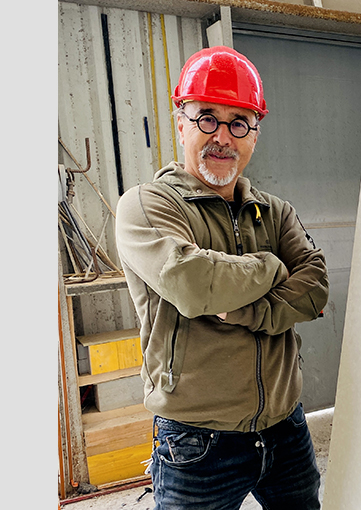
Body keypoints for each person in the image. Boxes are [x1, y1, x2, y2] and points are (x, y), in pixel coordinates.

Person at [115, 46, 329, 509]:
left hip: (286, 430)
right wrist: (272, 266)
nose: (222, 137)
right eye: (206, 118)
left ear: (255, 134)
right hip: (196, 445)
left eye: (239, 123)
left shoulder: (275, 211)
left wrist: (251, 307)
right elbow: (191, 284)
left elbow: (315, 288)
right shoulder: (147, 206)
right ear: (181, 123)